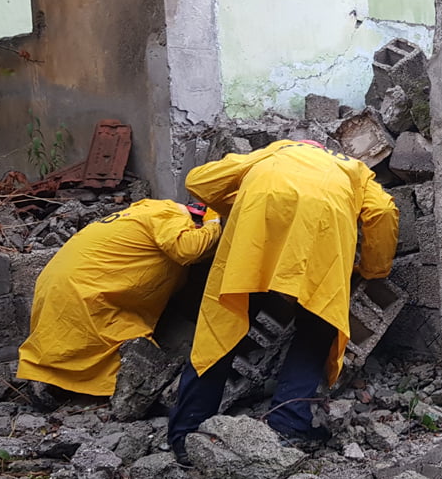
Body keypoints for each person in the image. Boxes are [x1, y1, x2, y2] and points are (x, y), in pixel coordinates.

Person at [167, 139, 399, 461]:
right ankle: (287, 423)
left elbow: (199, 181)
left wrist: (235, 205)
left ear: (303, 145)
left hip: (257, 223)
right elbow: (384, 211)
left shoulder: (277, 150)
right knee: (316, 323)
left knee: (222, 322)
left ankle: (184, 436)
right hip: (320, 233)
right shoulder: (354, 169)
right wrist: (373, 270)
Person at [17, 199, 222, 398]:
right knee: (117, 348)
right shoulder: (170, 215)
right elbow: (190, 249)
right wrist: (213, 222)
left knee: (65, 341)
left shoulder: (144, 211)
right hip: (87, 290)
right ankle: (126, 393)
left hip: (62, 281)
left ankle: (49, 379)